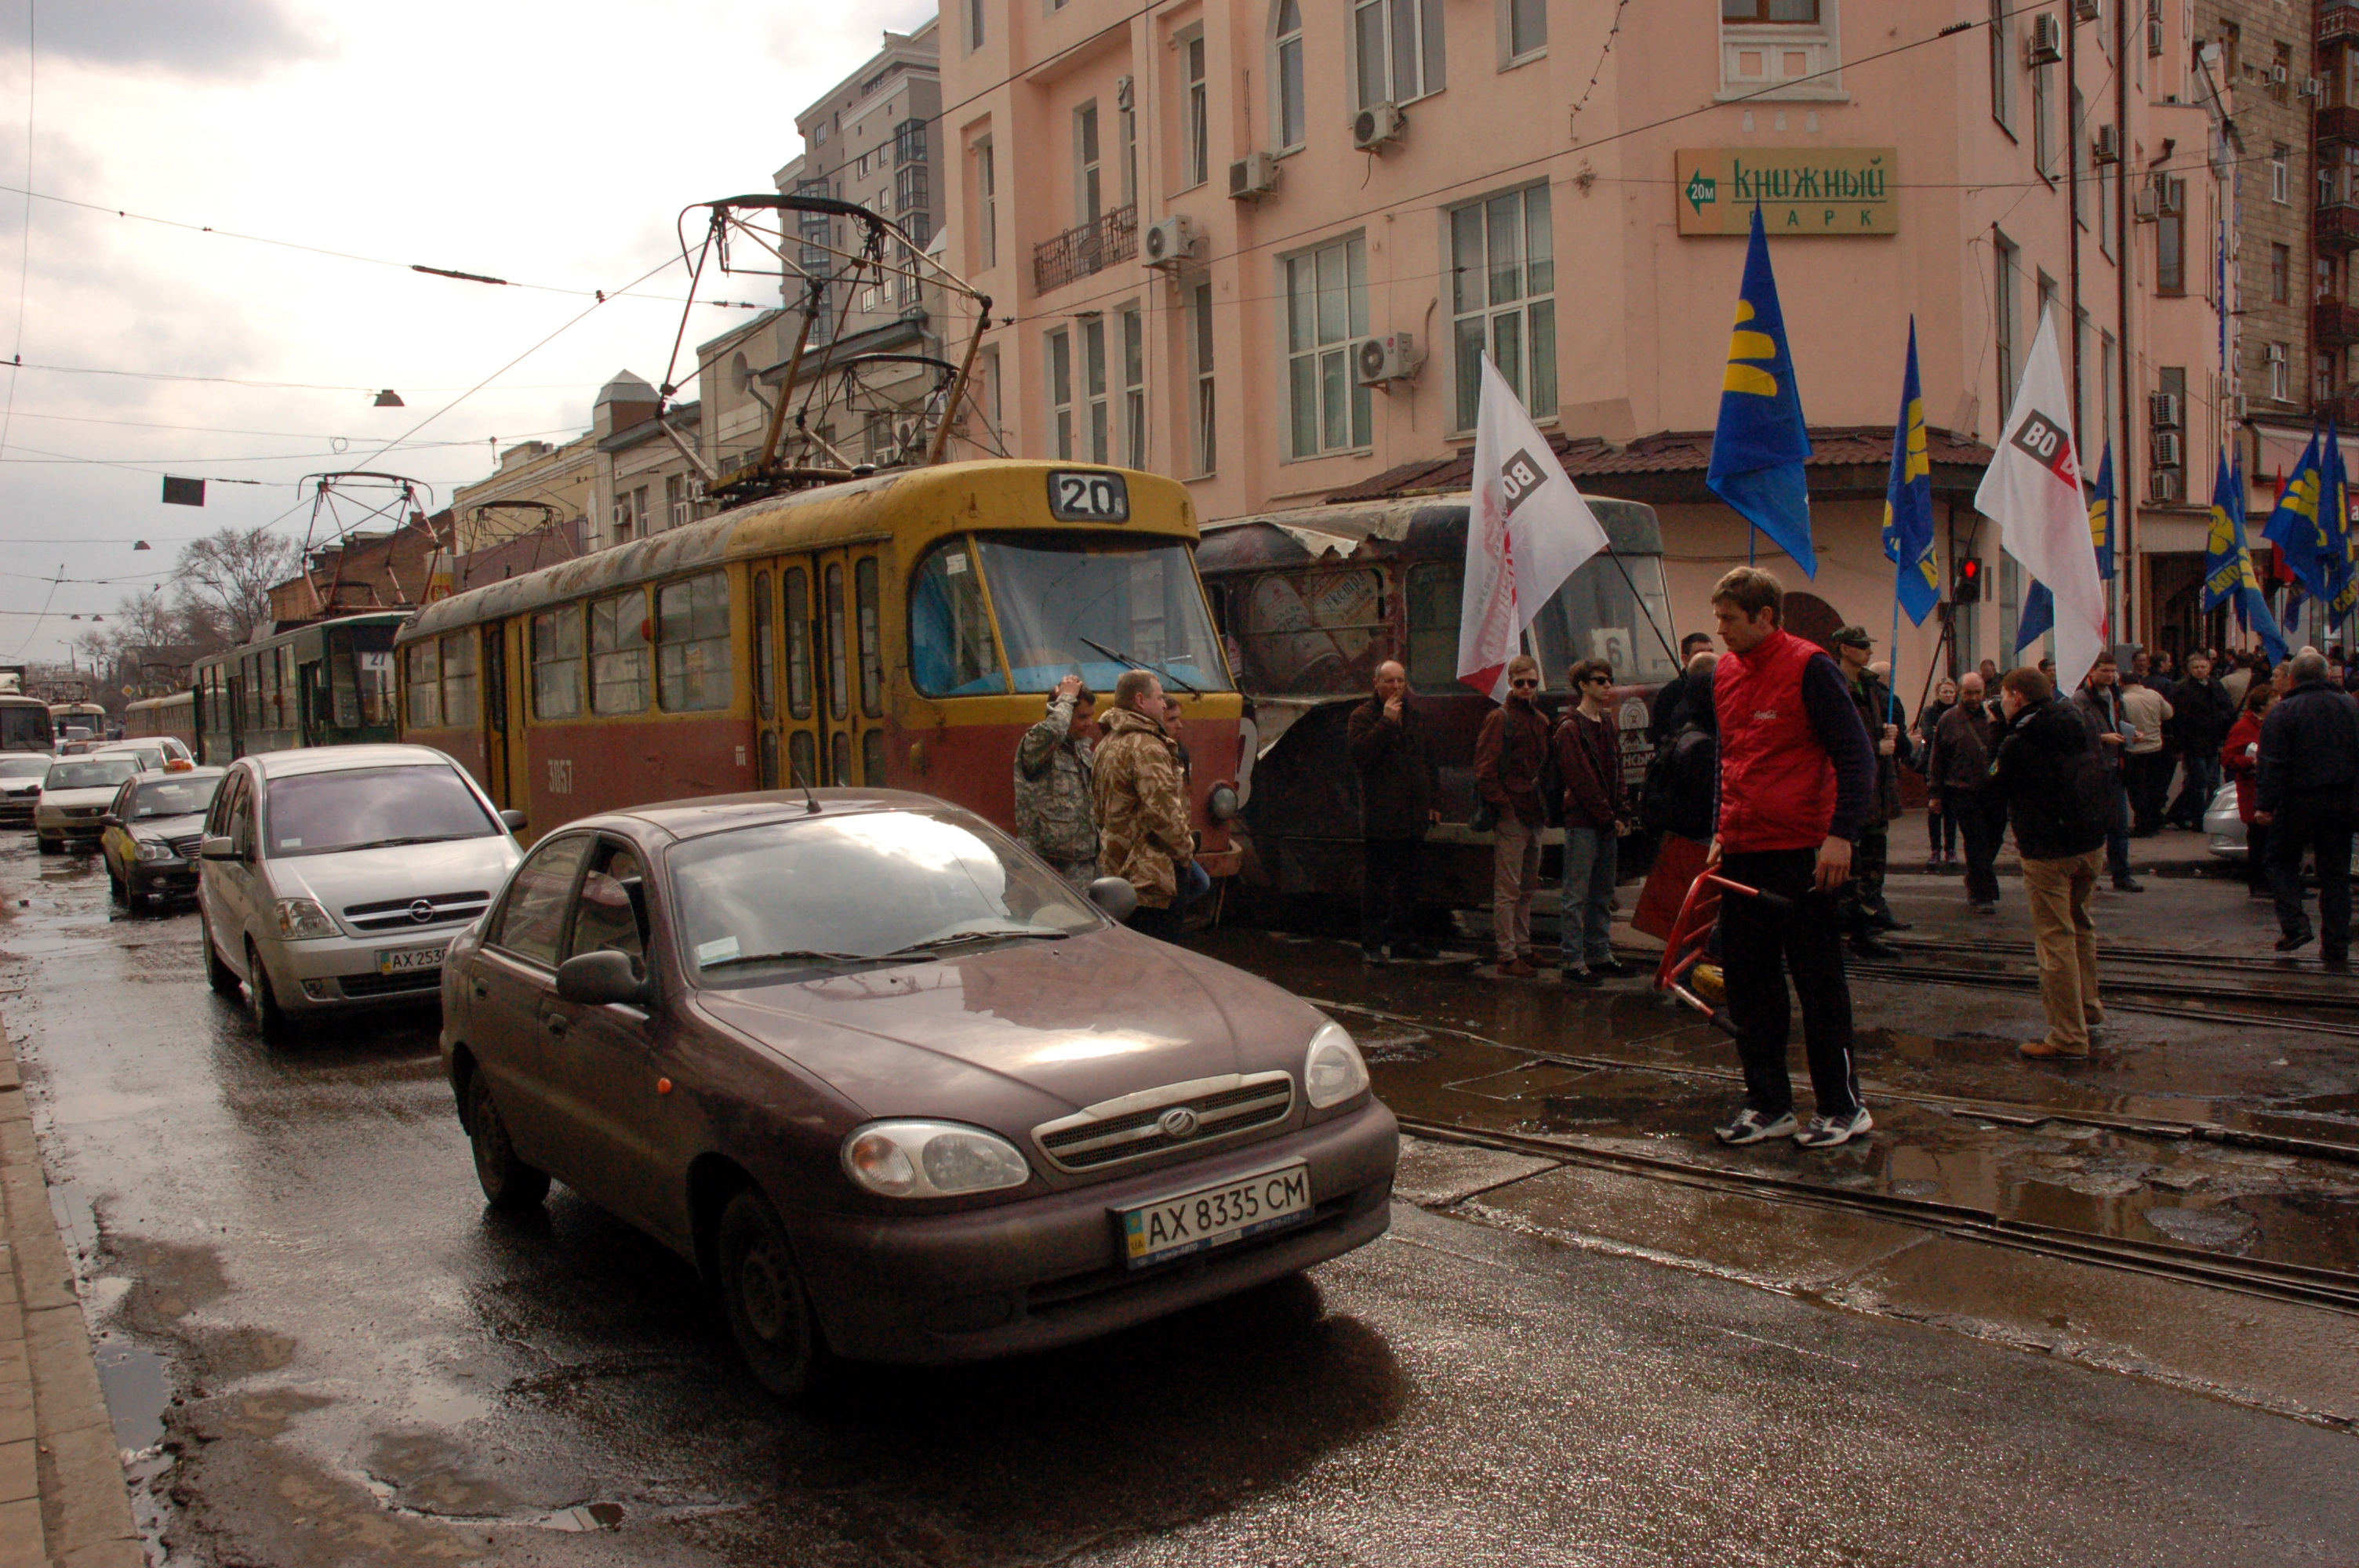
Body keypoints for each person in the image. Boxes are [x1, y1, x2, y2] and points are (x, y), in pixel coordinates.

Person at [1704, 568, 1878, 1152]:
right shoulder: (1725, 673)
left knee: (1818, 979)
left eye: (1730, 618)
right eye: (1719, 617)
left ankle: (1842, 1105)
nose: (1720, 629)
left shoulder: (1811, 668)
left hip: (1803, 849)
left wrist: (1841, 835)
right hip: (1744, 847)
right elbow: (1730, 760)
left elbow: (1855, 755)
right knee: (1750, 984)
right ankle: (1768, 1102)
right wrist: (1719, 829)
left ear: (1766, 618)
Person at [1990, 666, 2110, 1059]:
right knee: (2080, 925)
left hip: (2047, 849)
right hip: (2090, 839)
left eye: (2004, 696)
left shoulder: (2021, 741)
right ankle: (2088, 1007)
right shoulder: (2079, 718)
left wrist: (1998, 735)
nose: (2002, 702)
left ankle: (2067, 1035)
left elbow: (1990, 785)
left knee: (2054, 940)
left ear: (2017, 697)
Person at [2254, 649, 2359, 963]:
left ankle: (2295, 924)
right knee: (2336, 875)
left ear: (2293, 678)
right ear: (2328, 676)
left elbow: (2273, 763)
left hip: (2298, 801)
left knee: (2278, 860)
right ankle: (2336, 945)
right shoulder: (2351, 708)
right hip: (2342, 803)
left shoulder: (2284, 712)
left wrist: (2265, 805)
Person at [1347, 659, 1440, 965]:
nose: (1396, 687)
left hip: (1414, 813)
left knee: (1409, 882)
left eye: (1400, 681)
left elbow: (1429, 760)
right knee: (1377, 883)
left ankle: (1402, 940)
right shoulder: (1362, 716)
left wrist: (1434, 802)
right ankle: (1371, 944)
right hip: (1382, 815)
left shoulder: (1416, 715)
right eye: (1389, 681)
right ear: (1376, 683)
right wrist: (1386, 723)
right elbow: (1362, 756)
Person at [1092, 670, 1197, 939]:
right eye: (1159, 698)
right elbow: (1165, 815)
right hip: (1151, 879)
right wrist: (1185, 852)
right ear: (1140, 700)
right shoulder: (1148, 746)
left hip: (1117, 872)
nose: (1164, 704)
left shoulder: (1107, 743)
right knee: (1160, 960)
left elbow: (1099, 809)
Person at [1553, 658, 1634, 985]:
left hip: (1605, 821)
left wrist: (1622, 812)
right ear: (1583, 686)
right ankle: (1572, 960)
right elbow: (1580, 778)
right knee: (1576, 893)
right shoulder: (1569, 727)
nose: (1607, 686)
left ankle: (1599, 953)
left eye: (1609, 680)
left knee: (1602, 891)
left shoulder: (1606, 721)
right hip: (1584, 822)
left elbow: (1617, 770)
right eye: (1600, 680)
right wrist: (1606, 817)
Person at [1830, 625, 1907, 955]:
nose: (1869, 652)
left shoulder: (1871, 688)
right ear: (1845, 649)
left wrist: (1890, 734)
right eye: (1862, 646)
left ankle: (1870, 921)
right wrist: (1877, 746)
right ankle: (1852, 930)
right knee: (1851, 870)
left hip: (1878, 790)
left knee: (1874, 863)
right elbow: (1841, 745)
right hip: (1852, 793)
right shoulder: (1835, 686)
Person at [1474, 653, 1552, 978]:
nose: (1526, 688)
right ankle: (1507, 955)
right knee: (1508, 888)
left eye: (1531, 683)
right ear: (1510, 683)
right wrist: (1503, 804)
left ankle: (1523, 947)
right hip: (1513, 812)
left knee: (1527, 885)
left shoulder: (1539, 720)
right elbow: (1484, 768)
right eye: (1520, 682)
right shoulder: (1500, 718)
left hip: (1533, 810)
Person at [1012, 675, 1099, 891]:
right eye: (1082, 717)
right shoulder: (1037, 744)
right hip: (1047, 868)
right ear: (1064, 712)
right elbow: (1054, 730)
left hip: (1082, 866)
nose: (1089, 723)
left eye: (1091, 717)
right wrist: (1067, 698)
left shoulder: (1078, 750)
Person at [1928, 672, 2004, 911]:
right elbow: (1937, 759)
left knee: (1994, 839)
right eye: (1969, 692)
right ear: (1961, 692)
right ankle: (1983, 895)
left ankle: (1975, 879)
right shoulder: (1949, 720)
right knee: (1976, 841)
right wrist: (1935, 794)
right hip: (1963, 790)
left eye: (1977, 692)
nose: (1973, 697)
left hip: (1994, 790)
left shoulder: (1996, 717)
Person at [2071, 653, 2143, 891]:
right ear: (2091, 671)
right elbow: (2077, 732)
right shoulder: (2080, 699)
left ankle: (2121, 875)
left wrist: (2130, 733)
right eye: (2105, 671)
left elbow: (2117, 721)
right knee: (2093, 826)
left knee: (2119, 825)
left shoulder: (2115, 695)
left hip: (2116, 766)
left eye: (2113, 672)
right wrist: (2103, 737)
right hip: (2094, 769)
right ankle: (2088, 875)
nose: (2110, 676)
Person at [2165, 652, 2235, 831]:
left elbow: (2227, 708)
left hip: (2213, 741)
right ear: (2190, 670)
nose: (2200, 670)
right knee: (2199, 781)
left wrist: (2222, 727)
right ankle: (2197, 819)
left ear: (2209, 667)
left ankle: (2182, 813)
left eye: (2203, 667)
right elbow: (2179, 719)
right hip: (2193, 742)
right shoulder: (2184, 690)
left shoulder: (2216, 686)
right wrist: (2179, 746)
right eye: (2196, 667)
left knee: (2211, 781)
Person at [2222, 683, 2279, 899]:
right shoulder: (2244, 727)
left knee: (2272, 841)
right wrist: (2250, 761)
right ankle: (2258, 882)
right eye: (2275, 702)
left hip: (2268, 790)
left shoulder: (2271, 724)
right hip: (2252, 791)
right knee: (2258, 839)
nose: (2279, 705)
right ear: (2262, 706)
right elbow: (2228, 759)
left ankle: (2273, 882)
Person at [2117, 664, 2174, 837]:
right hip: (2156, 747)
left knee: (2137, 790)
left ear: (2122, 683)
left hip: (2134, 751)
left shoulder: (2124, 700)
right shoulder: (2154, 695)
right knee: (2155, 787)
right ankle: (2155, 820)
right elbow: (2168, 714)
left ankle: (2143, 824)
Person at [1915, 677, 1960, 870]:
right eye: (1945, 692)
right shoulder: (1930, 712)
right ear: (1938, 693)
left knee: (1951, 811)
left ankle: (1951, 849)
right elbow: (1928, 734)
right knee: (1934, 809)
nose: (1948, 695)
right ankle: (1935, 849)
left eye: (1951, 692)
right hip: (1933, 767)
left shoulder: (1959, 712)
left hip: (1954, 768)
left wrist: (1940, 735)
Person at [1648, 632, 1718, 743]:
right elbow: (1662, 735)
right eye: (1699, 653)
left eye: (1710, 652)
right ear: (1685, 659)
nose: (1706, 657)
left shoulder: (1721, 686)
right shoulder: (1670, 693)